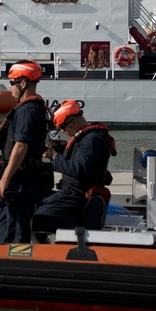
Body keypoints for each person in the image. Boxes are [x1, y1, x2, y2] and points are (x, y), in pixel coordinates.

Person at [0, 60, 52, 243]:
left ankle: (14, 264)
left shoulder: (28, 111)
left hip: (21, 181)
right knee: (6, 226)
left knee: (16, 230)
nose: (10, 87)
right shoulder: (30, 108)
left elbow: (20, 146)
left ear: (23, 83)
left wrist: (4, 180)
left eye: (12, 82)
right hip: (20, 179)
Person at [32, 100, 115, 237]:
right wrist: (59, 148)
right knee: (32, 200)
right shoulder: (88, 138)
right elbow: (79, 156)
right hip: (70, 193)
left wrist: (54, 157)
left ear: (73, 122)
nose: (63, 131)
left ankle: (40, 249)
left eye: (63, 128)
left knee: (38, 218)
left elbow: (79, 169)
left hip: (75, 196)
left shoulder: (92, 140)